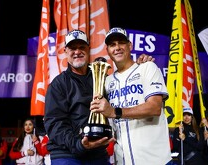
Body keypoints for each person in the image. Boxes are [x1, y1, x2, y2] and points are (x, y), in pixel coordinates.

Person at [44, 29, 154, 165]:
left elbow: (124, 93)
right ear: (65, 51)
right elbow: (54, 124)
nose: (77, 51)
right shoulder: (58, 85)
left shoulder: (103, 78)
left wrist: (138, 67)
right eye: (73, 48)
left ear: (88, 49)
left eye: (81, 47)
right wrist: (79, 145)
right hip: (67, 154)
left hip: (97, 153)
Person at [90, 27, 172, 165]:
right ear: (108, 51)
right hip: (122, 160)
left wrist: (114, 112)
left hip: (155, 160)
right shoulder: (106, 82)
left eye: (121, 42)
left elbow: (155, 108)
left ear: (130, 45)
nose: (117, 47)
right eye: (112, 45)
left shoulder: (148, 68)